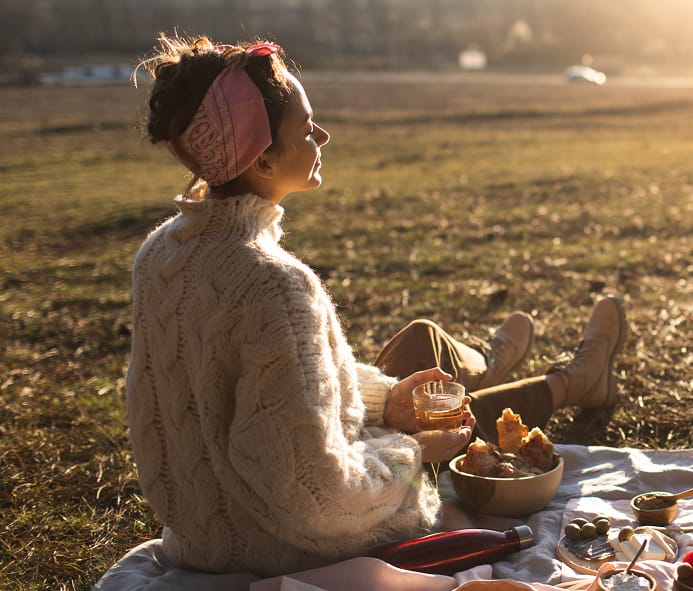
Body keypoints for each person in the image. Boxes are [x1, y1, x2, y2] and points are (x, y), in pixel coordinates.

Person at [123, 34, 629, 577]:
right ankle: (567, 380)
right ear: (262, 161)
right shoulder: (272, 284)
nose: (322, 135)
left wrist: (387, 401)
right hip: (291, 550)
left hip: (199, 539)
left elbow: (246, 389)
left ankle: (499, 362)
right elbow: (319, 499)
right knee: (444, 398)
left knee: (421, 346)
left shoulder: (160, 254)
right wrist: (414, 451)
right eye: (305, 127)